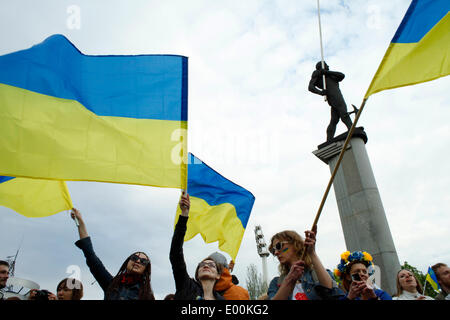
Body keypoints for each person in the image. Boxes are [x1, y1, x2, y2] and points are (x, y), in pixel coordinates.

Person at [70, 208, 155, 300]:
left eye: (143, 261)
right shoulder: (112, 284)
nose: (138, 261)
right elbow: (91, 257)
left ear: (146, 269)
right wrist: (80, 223)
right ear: (127, 263)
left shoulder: (147, 295)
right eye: (134, 258)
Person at [169, 192, 224, 300]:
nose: (206, 266)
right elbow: (175, 253)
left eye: (212, 265)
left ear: (218, 275)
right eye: (202, 264)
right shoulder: (186, 286)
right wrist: (184, 214)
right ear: (197, 274)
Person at [267, 228, 344, 300]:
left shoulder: (316, 274)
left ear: (295, 244)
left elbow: (332, 292)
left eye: (278, 246)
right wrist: (290, 280)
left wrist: (312, 253)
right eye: (273, 251)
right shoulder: (276, 283)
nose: (276, 252)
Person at [308, 61, 353, 142]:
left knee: (334, 120)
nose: (328, 66)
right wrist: (320, 92)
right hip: (334, 96)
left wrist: (326, 72)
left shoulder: (330, 74)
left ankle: (329, 139)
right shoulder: (318, 73)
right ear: (321, 66)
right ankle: (351, 128)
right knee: (343, 112)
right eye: (326, 65)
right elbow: (310, 87)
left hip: (336, 95)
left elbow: (342, 75)